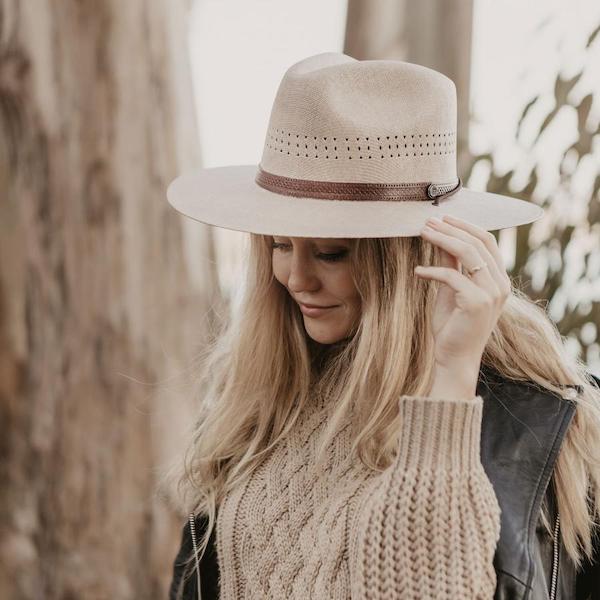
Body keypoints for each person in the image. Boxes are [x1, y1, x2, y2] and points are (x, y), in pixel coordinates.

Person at [163, 53, 600, 599]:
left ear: (407, 260)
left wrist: (452, 377)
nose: (295, 278)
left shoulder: (528, 421)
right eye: (278, 244)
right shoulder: (259, 392)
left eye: (330, 253)